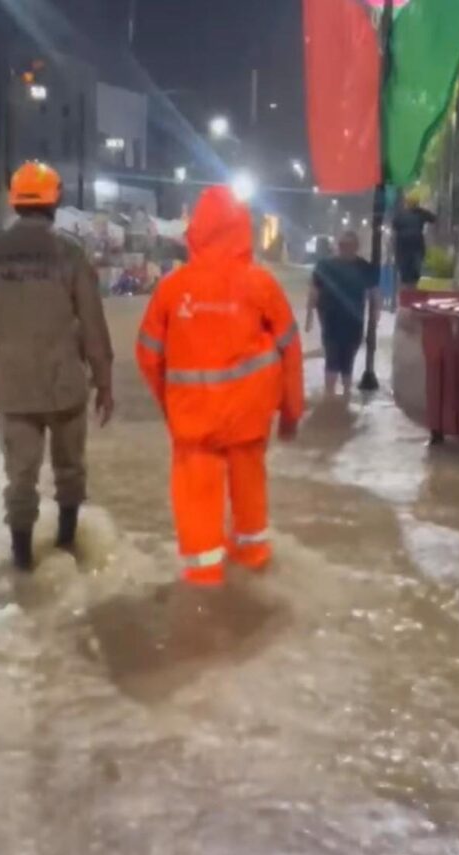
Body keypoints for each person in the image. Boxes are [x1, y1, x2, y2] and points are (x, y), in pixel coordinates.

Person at [137, 185, 304, 587]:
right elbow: (291, 350)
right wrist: (291, 413)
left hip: (193, 424)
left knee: (197, 505)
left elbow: (147, 355)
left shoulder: (172, 289)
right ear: (242, 229)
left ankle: (204, 585)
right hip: (249, 419)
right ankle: (254, 566)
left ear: (196, 230)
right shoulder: (261, 285)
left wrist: (171, 406)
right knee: (249, 498)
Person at [0, 161, 114, 571]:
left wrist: (3, 366)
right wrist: (104, 382)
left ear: (15, 201)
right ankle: (67, 547)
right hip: (65, 384)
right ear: (55, 201)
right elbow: (94, 326)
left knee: (20, 482)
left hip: (13, 388)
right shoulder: (70, 255)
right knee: (70, 473)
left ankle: (22, 565)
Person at [306, 230, 380, 399]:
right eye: (343, 245)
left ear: (356, 247)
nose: (346, 249)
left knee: (348, 357)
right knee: (332, 356)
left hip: (354, 320)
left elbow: (374, 293)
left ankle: (345, 395)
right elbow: (314, 291)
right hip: (330, 318)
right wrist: (309, 316)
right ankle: (330, 396)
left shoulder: (364, 267)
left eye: (350, 246)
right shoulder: (324, 265)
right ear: (337, 246)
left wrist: (375, 315)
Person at [393, 192, 436, 290]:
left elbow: (395, 225)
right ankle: (412, 288)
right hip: (416, 245)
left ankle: (406, 289)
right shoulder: (420, 214)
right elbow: (433, 219)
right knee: (415, 269)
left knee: (405, 270)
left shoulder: (401, 215)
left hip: (403, 246)